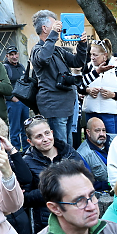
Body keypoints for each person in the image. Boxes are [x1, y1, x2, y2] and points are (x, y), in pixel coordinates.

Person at [30, 10, 88, 146]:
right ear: (44, 28)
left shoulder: (58, 50)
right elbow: (43, 58)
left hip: (67, 106)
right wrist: (54, 34)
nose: (60, 28)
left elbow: (77, 62)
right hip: (54, 106)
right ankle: (60, 167)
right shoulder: (37, 49)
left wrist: (82, 43)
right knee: (60, 145)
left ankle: (67, 166)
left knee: (67, 144)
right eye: (55, 25)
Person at [23, 115, 87, 234]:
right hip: (46, 221)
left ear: (52, 133)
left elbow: (86, 178)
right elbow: (25, 198)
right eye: (39, 137)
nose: (45, 139)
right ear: (30, 141)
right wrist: (55, 189)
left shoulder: (69, 152)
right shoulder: (26, 162)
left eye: (47, 133)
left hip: (75, 214)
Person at [80, 39, 117, 137]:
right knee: (93, 143)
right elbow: (79, 87)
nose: (92, 58)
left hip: (111, 115)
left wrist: (113, 95)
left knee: (112, 143)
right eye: (91, 54)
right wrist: (87, 91)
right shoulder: (88, 67)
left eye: (95, 55)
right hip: (91, 113)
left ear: (105, 55)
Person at [2, 46, 30, 151]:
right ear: (7, 56)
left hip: (24, 102)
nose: (14, 57)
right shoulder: (5, 68)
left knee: (26, 127)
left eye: (15, 54)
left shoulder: (21, 66)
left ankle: (27, 150)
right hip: (13, 103)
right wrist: (10, 97)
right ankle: (15, 152)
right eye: (11, 55)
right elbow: (1, 84)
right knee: (15, 129)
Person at [77, 115, 111, 191]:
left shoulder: (115, 140)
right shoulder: (82, 154)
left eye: (104, 130)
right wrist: (108, 184)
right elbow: (86, 182)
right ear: (88, 132)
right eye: (97, 131)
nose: (102, 134)